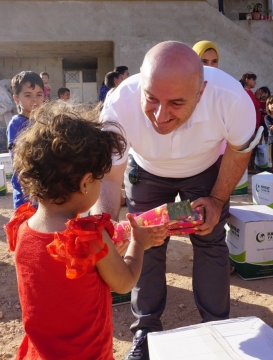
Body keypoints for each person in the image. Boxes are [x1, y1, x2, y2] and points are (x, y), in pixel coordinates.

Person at [94, 41, 256, 360]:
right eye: (151, 98)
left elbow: (241, 149)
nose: (160, 115)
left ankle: (217, 328)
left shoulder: (232, 97)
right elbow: (111, 177)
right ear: (142, 82)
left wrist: (216, 198)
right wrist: (102, 227)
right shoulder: (119, 103)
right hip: (148, 170)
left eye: (177, 103)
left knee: (210, 239)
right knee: (146, 244)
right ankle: (146, 331)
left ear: (201, 91)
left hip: (205, 171)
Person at [4, 102, 167, 360]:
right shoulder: (87, 238)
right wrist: (139, 243)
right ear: (84, 183)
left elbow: (65, 286)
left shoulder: (22, 228)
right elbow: (124, 283)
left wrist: (107, 254)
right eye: (99, 181)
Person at [7, 71, 44, 209]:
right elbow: (20, 161)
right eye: (28, 95)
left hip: (44, 190)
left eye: (38, 95)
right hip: (26, 193)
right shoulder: (16, 124)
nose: (34, 99)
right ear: (16, 99)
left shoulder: (42, 121)